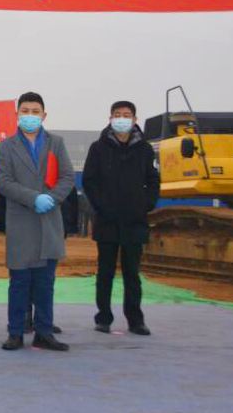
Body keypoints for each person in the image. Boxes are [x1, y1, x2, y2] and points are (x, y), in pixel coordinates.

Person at [0, 92, 74, 352]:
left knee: (45, 283)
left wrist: (52, 199)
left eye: (35, 111)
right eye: (25, 111)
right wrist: (33, 198)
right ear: (17, 115)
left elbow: (67, 177)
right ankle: (15, 333)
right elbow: (4, 183)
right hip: (21, 222)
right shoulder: (4, 148)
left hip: (49, 220)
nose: (30, 115)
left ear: (44, 115)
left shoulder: (56, 143)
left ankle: (44, 332)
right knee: (19, 282)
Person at [83, 100, 159, 336]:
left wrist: (145, 205)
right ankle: (103, 318)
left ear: (134, 119)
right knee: (104, 272)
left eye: (126, 115)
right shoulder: (98, 148)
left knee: (132, 273)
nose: (122, 119)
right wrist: (101, 206)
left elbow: (154, 180)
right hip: (107, 220)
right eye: (117, 114)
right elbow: (89, 181)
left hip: (135, 221)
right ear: (110, 118)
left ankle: (135, 320)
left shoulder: (145, 149)